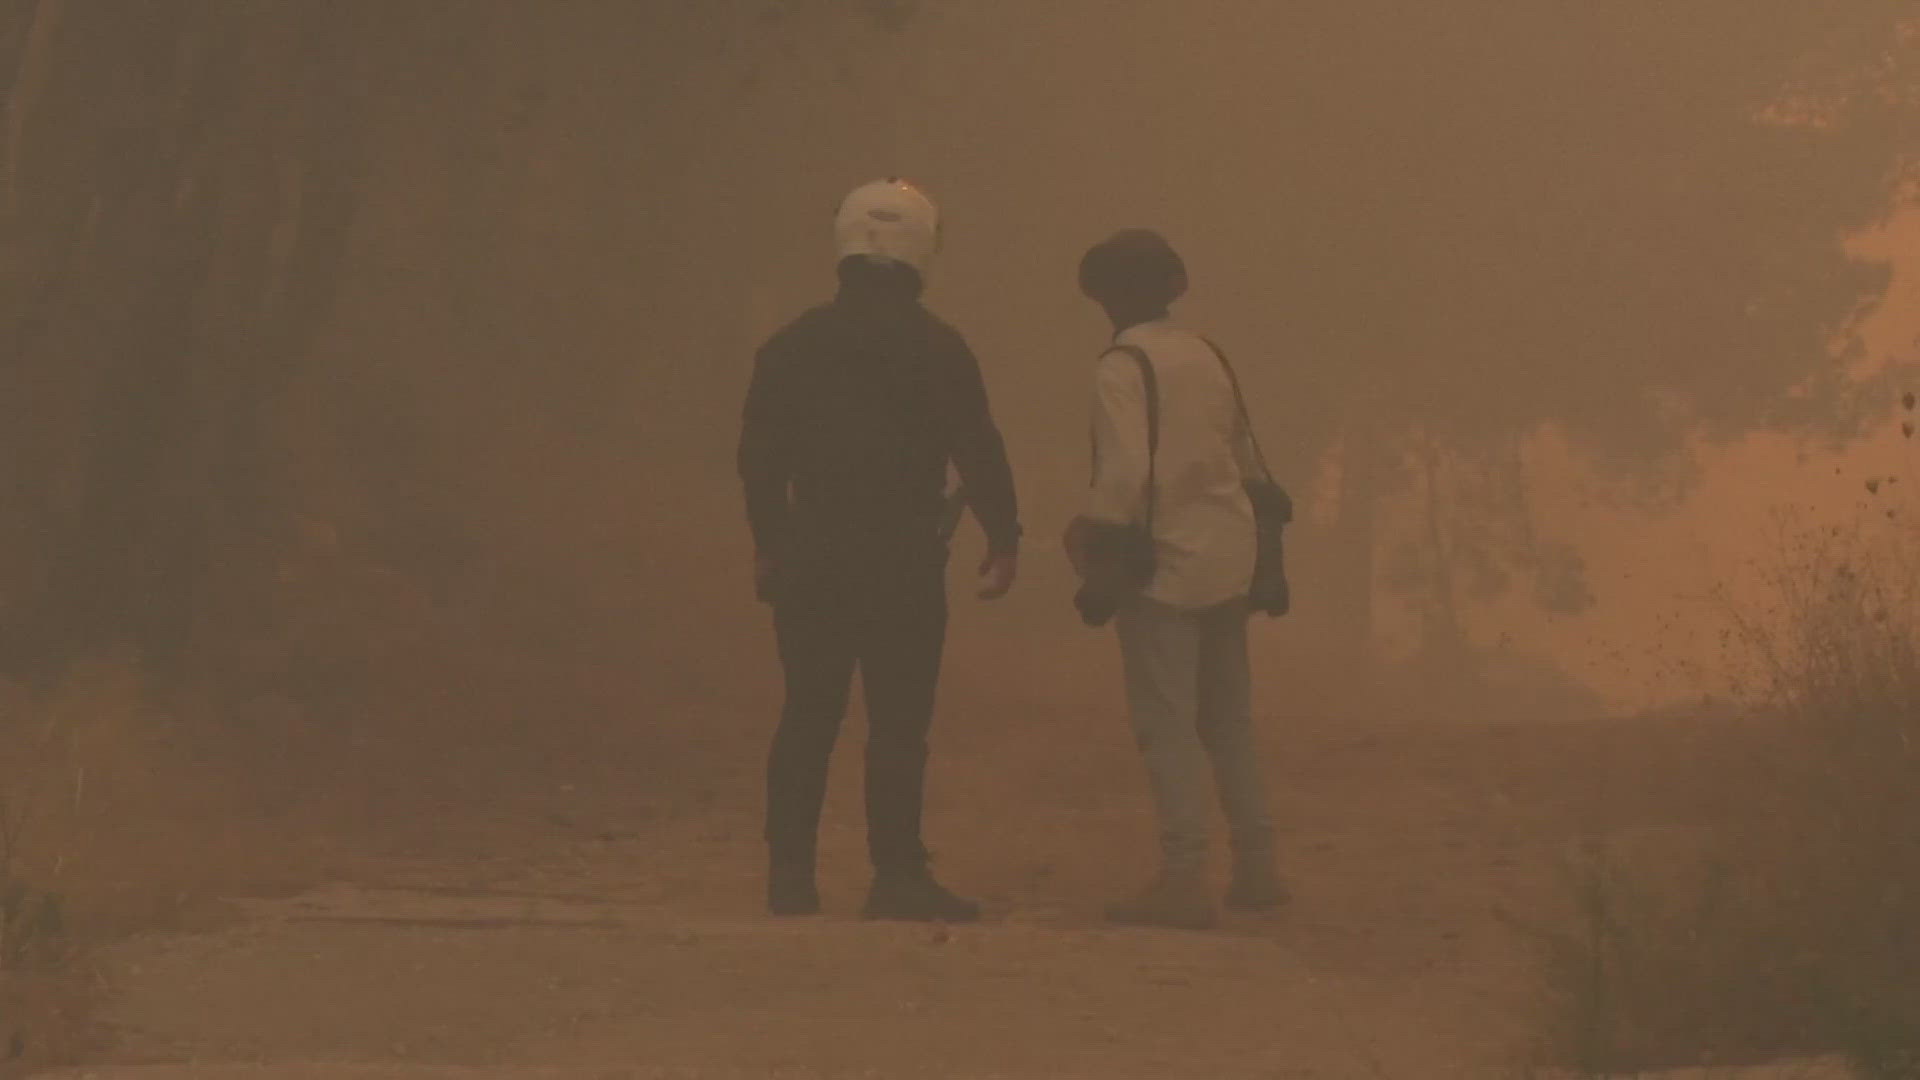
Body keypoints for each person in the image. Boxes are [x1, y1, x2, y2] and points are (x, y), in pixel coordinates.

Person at [737, 178, 1021, 921]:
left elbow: (759, 460)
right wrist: (1004, 537)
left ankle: (790, 877)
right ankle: (896, 874)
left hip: (812, 554)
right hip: (902, 562)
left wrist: (769, 543)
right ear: (924, 250)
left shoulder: (791, 346)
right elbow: (977, 446)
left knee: (807, 713)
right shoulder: (939, 347)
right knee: (897, 722)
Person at [1064, 229, 1286, 930]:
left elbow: (1125, 474)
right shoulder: (1206, 353)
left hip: (1161, 567)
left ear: (1112, 294)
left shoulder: (1120, 366)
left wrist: (1093, 534)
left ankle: (1185, 877)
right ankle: (1257, 867)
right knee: (1228, 721)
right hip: (1230, 555)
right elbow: (1247, 457)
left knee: (1166, 725)